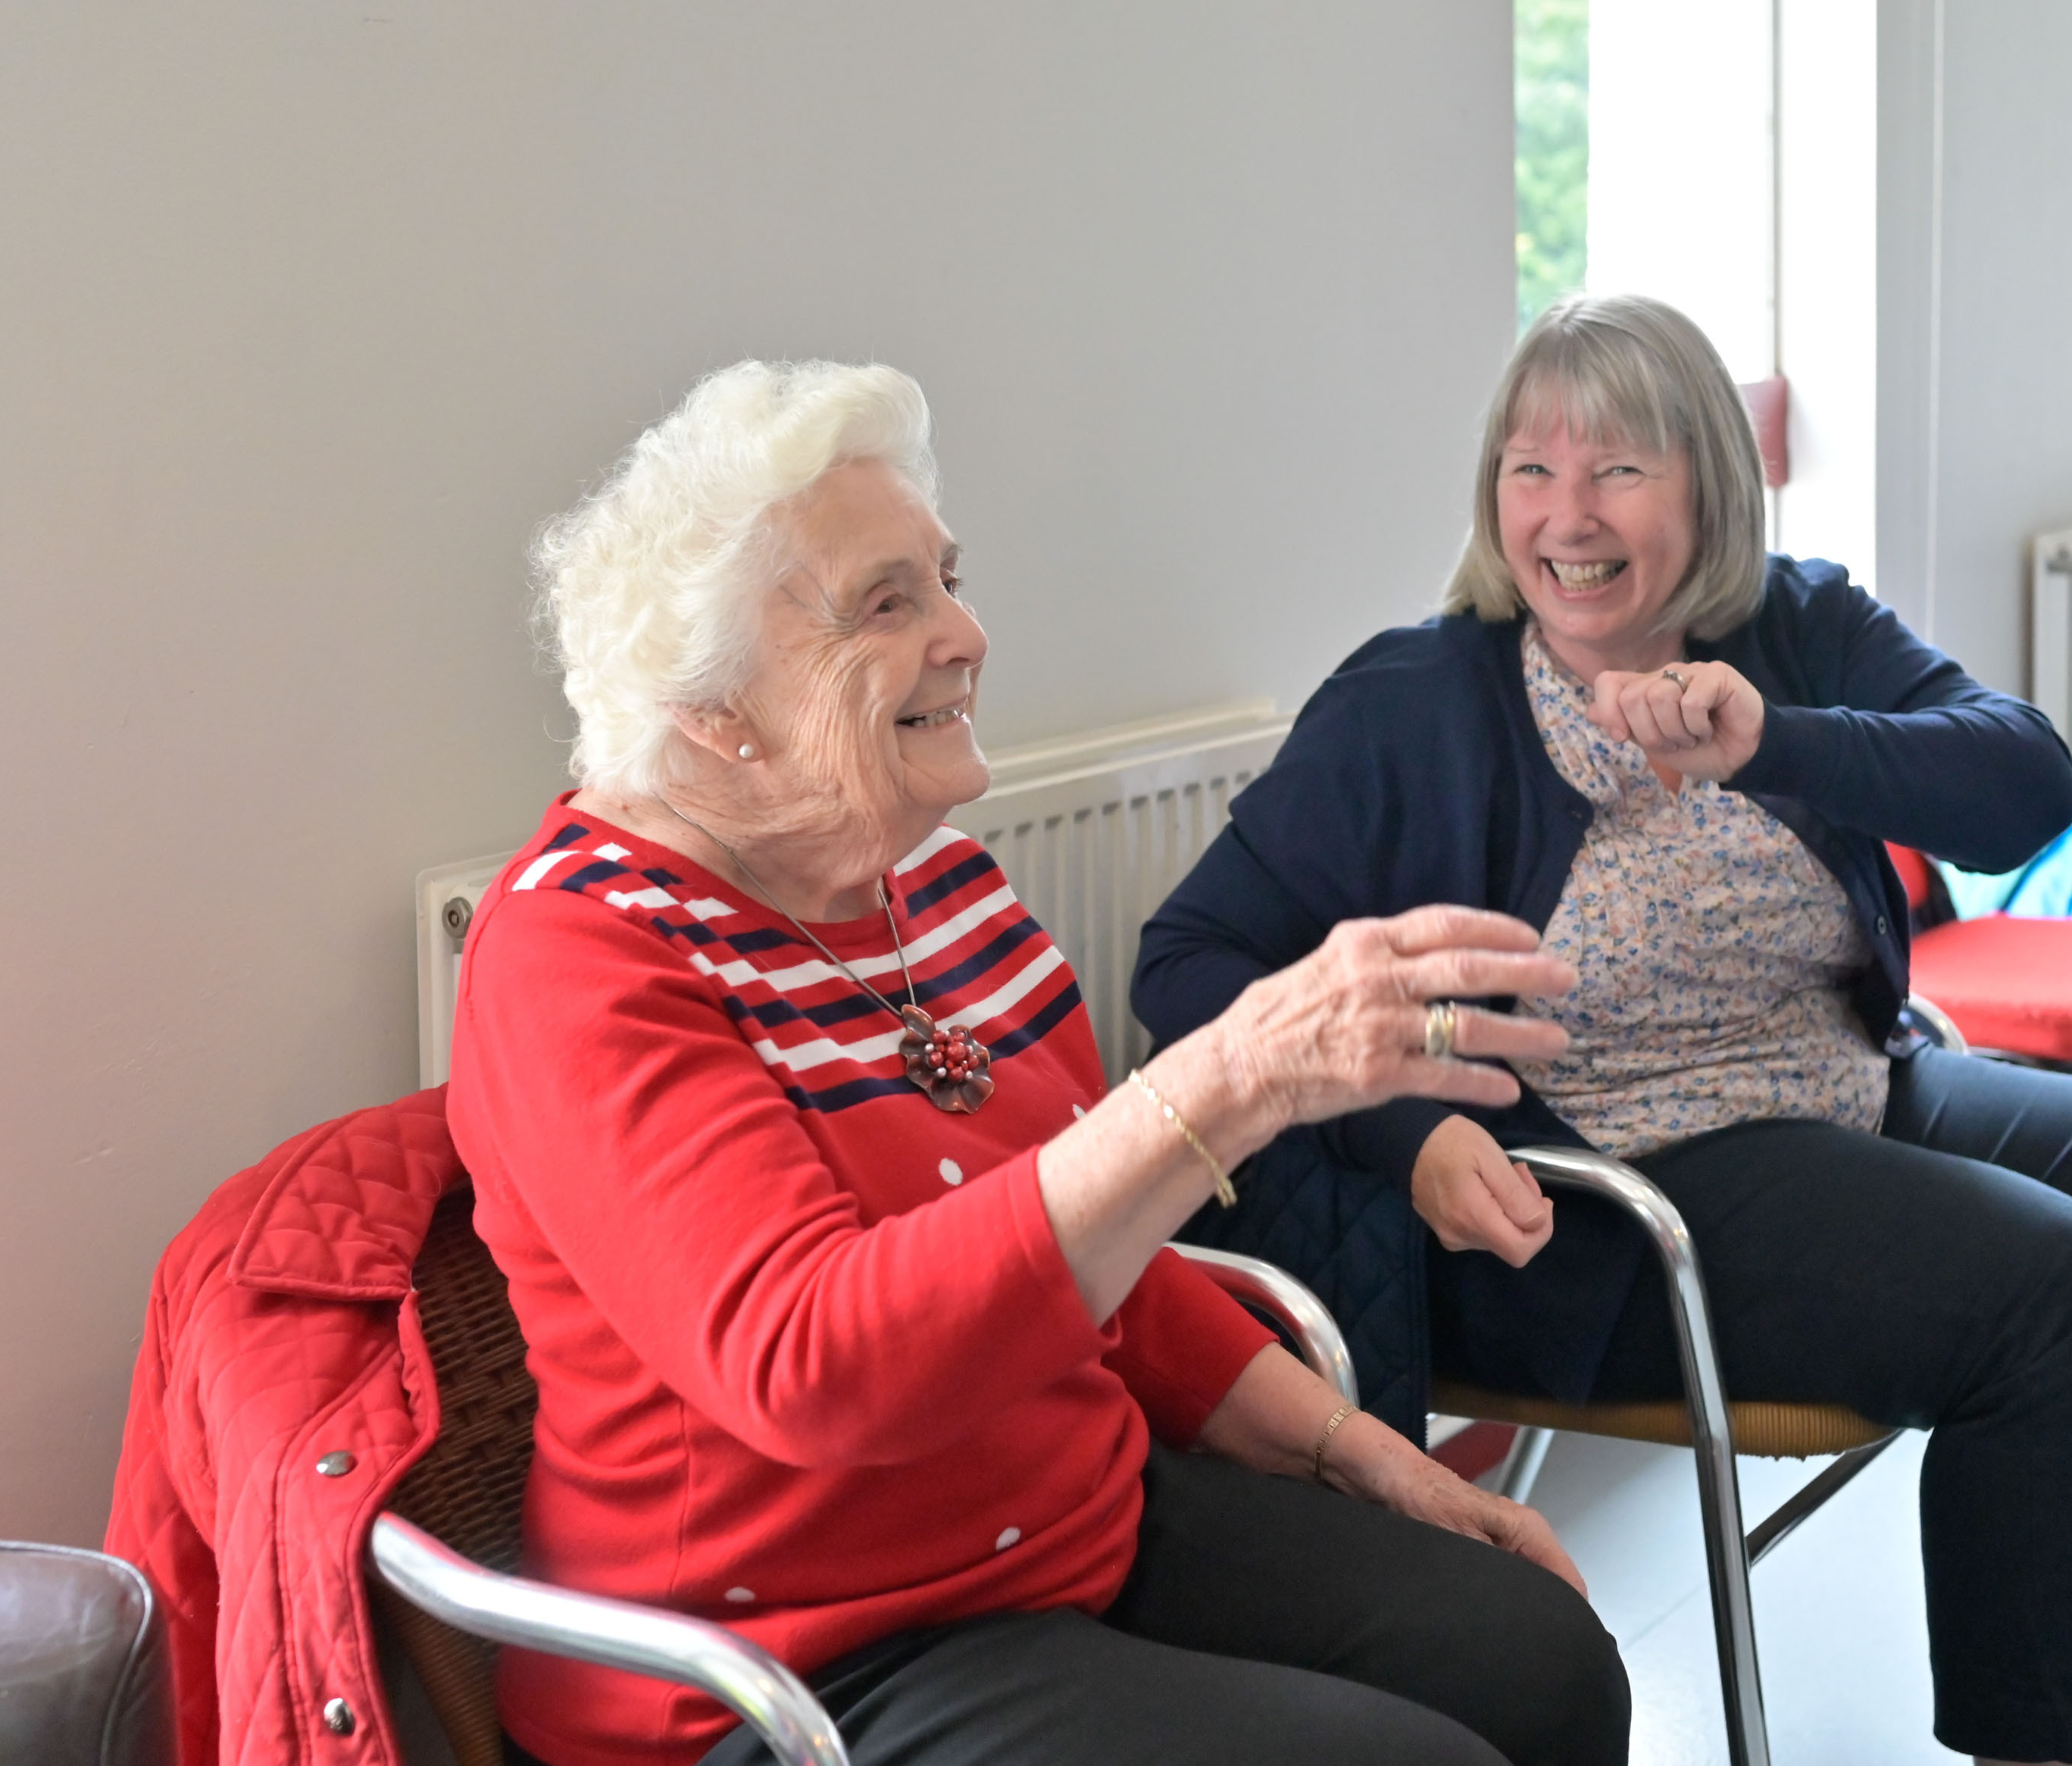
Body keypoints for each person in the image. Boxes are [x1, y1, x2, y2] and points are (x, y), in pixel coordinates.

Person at [445, 359, 1629, 1766]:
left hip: (1074, 1528)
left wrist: (1354, 1450)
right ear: (715, 706)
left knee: (1541, 1658)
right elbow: (815, 1362)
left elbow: (1102, 1263)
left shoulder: (932, 887)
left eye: (948, 578)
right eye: (888, 603)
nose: (967, 634)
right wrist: (1229, 1077)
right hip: (797, 1661)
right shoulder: (576, 956)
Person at [1132, 295, 2072, 1766]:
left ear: (1711, 485)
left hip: (1843, 1081)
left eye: (1618, 469)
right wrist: (1406, 1130)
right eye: (1529, 470)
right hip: (1603, 1181)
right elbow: (1189, 960)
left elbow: (2023, 785)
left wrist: (1771, 741)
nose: (1565, 515)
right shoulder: (1415, 699)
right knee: (2059, 1294)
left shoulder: (1794, 629)